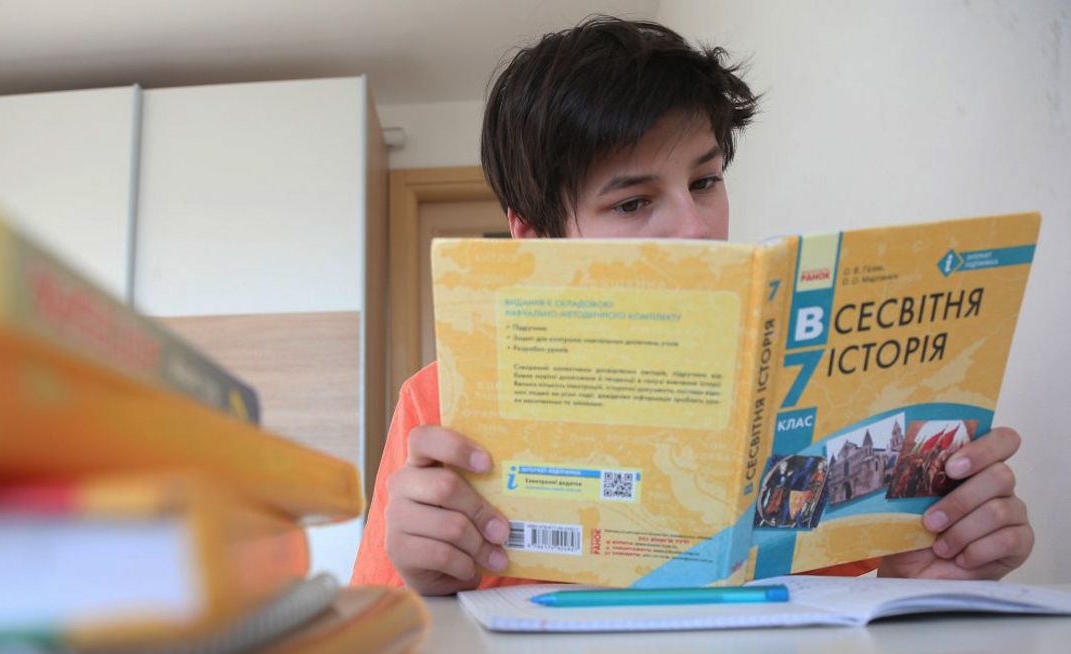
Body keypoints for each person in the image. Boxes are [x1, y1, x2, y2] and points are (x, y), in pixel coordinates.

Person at [352, 17, 1034, 595]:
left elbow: (846, 620)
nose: (696, 227)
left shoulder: (798, 382)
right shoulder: (441, 403)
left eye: (705, 181)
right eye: (633, 203)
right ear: (535, 237)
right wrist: (425, 587)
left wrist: (925, 575)